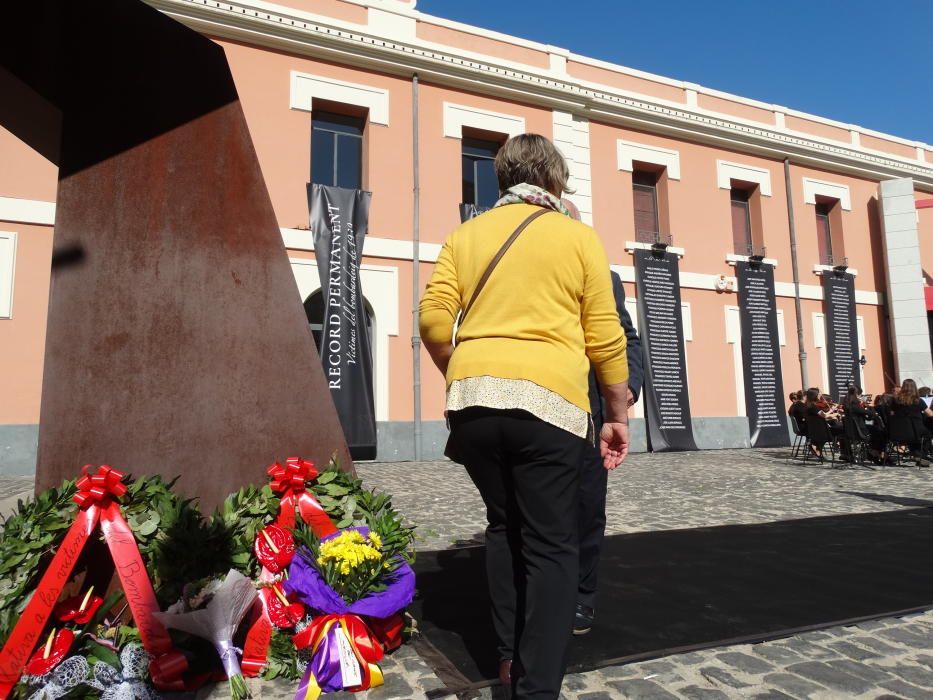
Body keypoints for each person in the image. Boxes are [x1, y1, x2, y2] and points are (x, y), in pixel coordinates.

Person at [419, 133, 630, 699]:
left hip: (474, 406)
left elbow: (435, 321)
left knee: (503, 526)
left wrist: (464, 372)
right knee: (552, 545)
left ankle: (509, 657)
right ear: (555, 180)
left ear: (503, 179)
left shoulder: (464, 235)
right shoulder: (578, 238)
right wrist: (617, 413)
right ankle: (537, 688)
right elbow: (605, 337)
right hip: (549, 406)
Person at [575, 269, 643, 635]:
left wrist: (628, 386)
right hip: (537, 410)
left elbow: (628, 339)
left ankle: (581, 596)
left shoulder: (605, 276)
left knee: (587, 510)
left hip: (592, 414)